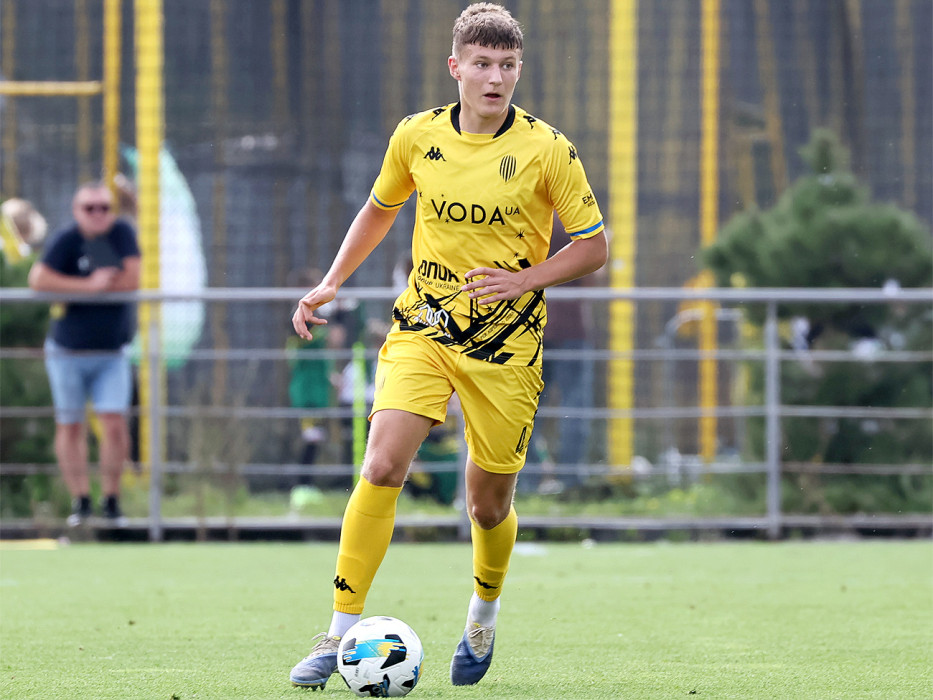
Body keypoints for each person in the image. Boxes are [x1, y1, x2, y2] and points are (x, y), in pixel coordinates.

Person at [288, 2, 607, 689]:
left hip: (506, 345)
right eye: (482, 64)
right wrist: (332, 281)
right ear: (455, 67)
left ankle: (482, 613)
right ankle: (338, 632)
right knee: (381, 465)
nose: (495, 78)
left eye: (507, 66)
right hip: (424, 327)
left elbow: (593, 247)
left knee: (486, 504)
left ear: (518, 70)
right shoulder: (416, 136)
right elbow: (379, 210)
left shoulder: (548, 149)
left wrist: (524, 279)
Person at [28, 181, 141, 527]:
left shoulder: (122, 234)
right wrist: (89, 286)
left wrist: (82, 285)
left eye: (104, 207)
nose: (97, 214)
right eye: (89, 208)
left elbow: (131, 280)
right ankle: (81, 503)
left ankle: (111, 502)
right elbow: (39, 279)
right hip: (67, 352)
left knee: (114, 424)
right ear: (77, 211)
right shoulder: (66, 239)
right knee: (70, 425)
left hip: (112, 353)